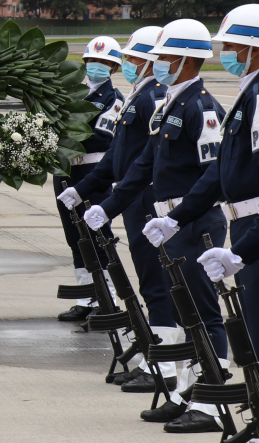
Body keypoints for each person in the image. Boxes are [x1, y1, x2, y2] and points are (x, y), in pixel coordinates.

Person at [83, 18, 227, 434]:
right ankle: (187, 390)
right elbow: (145, 162)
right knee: (185, 311)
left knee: (204, 313)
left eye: (161, 57)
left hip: (193, 221)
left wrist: (177, 218)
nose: (154, 64)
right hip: (171, 220)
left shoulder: (201, 106)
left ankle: (213, 405)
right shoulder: (172, 104)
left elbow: (211, 173)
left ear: (182, 59)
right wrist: (109, 205)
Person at [152, 5, 259, 443]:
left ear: (255, 45)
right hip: (246, 226)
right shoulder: (251, 92)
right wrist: (177, 218)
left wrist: (244, 248)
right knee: (255, 342)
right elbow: (221, 172)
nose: (226, 54)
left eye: (232, 46)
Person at [59, 26, 177, 394]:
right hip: (133, 198)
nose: (125, 65)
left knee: (158, 286)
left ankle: (165, 366)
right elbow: (118, 158)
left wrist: (110, 201)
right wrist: (84, 190)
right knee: (150, 284)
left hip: (144, 200)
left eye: (130, 59)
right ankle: (155, 359)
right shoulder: (140, 98)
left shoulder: (150, 100)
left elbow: (144, 162)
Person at [55, 37, 126, 322]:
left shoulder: (114, 98)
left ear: (112, 67)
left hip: (92, 172)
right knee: (75, 238)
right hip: (65, 171)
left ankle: (107, 298)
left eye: (102, 63)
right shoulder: (71, 92)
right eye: (91, 62)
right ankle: (85, 297)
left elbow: (101, 137)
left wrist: (60, 136)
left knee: (98, 237)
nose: (95, 67)